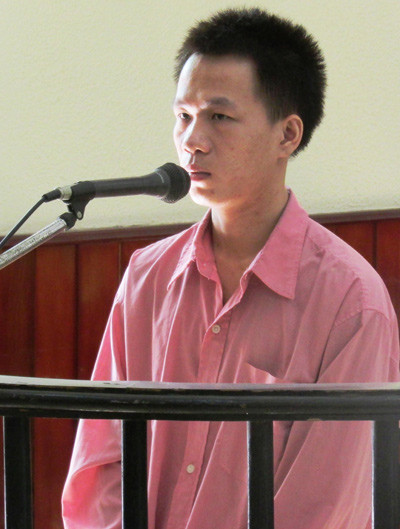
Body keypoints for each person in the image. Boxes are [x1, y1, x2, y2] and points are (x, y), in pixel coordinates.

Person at [62, 8, 400, 529]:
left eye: (219, 117)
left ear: (287, 135)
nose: (192, 140)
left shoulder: (351, 303)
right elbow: (100, 467)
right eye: (183, 115)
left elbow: (325, 506)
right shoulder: (147, 276)